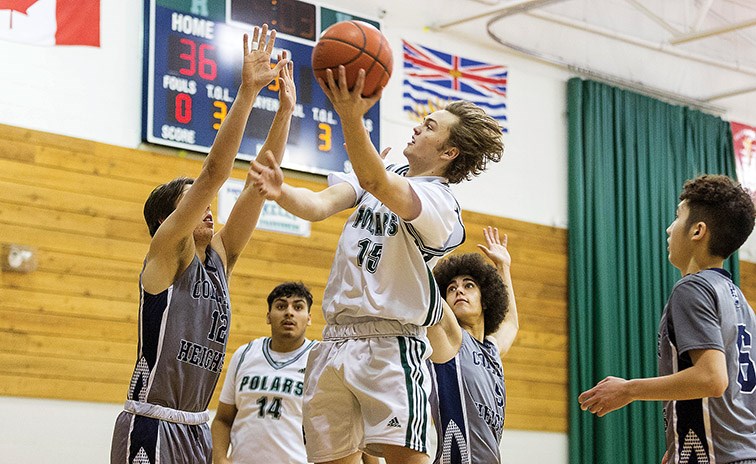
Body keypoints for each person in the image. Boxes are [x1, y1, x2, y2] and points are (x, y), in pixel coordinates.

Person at [249, 66, 504, 464]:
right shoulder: (385, 171)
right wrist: (282, 192)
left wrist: (351, 115)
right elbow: (320, 205)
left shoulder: (440, 204)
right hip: (333, 341)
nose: (418, 127)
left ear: (448, 152)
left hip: (390, 346)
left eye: (430, 126)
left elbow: (377, 184)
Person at [110, 25, 295, 464]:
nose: (209, 207)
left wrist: (284, 112)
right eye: (195, 204)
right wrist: (248, 93)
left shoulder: (219, 259)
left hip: (196, 427)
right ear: (166, 221)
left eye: (210, 204)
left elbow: (257, 184)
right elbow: (215, 172)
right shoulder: (166, 251)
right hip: (152, 424)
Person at [578, 174, 756, 464]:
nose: (669, 228)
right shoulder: (739, 302)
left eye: (677, 217)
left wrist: (628, 390)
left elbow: (712, 379)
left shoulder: (693, 287)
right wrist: (682, 438)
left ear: (698, 231)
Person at [427, 226, 519, 464]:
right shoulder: (450, 339)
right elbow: (424, 290)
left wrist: (503, 267)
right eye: (451, 288)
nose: (459, 290)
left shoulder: (491, 350)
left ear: (486, 299)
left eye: (468, 285)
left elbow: (511, 324)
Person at [212, 282, 317, 464]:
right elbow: (223, 419)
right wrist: (220, 458)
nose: (289, 312)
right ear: (268, 316)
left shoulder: (319, 360)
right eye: (281, 306)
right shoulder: (245, 354)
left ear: (309, 317)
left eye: (298, 307)